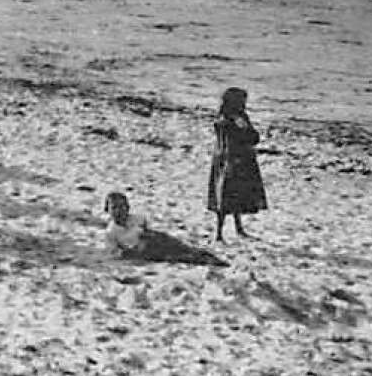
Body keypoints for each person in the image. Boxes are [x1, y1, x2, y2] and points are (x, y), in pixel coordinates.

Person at [207, 86, 268, 240]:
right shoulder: (235, 119)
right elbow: (252, 138)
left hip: (224, 160)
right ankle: (224, 233)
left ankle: (227, 232)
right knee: (231, 195)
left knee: (228, 196)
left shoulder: (222, 118)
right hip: (237, 160)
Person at [103, 192, 224, 265]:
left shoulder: (136, 218)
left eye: (122, 206)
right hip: (144, 250)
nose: (119, 210)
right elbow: (116, 252)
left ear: (128, 207)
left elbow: (148, 229)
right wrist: (132, 252)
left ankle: (205, 255)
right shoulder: (111, 232)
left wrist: (148, 234)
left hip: (156, 239)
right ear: (107, 210)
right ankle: (204, 260)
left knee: (184, 248)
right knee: (178, 257)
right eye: (114, 207)